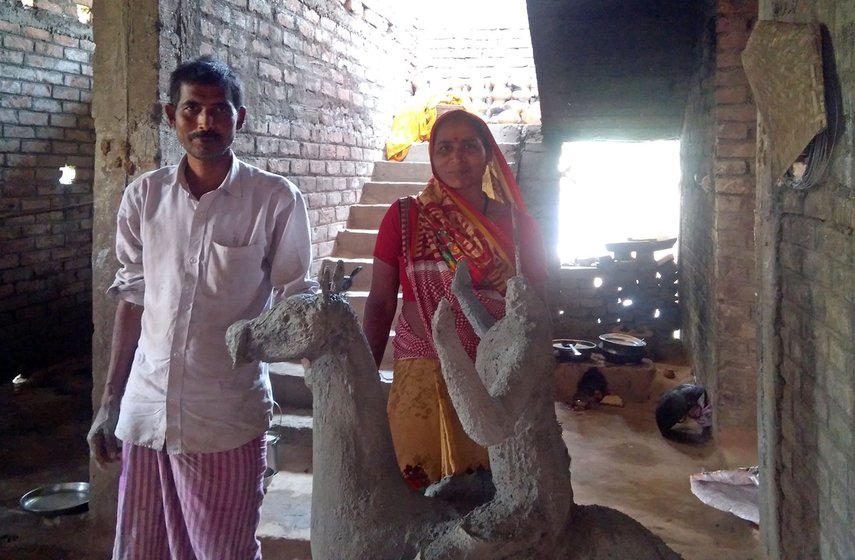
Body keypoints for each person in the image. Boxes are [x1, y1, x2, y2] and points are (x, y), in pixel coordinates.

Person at [86, 56, 316, 560]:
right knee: (143, 548)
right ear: (172, 115)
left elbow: (297, 302)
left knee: (223, 553)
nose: (205, 123)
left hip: (225, 417)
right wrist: (109, 404)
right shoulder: (143, 197)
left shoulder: (274, 200)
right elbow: (133, 299)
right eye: (192, 109)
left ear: (241, 117)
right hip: (146, 414)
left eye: (219, 110)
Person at [363, 109, 549, 488]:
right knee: (414, 481)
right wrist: (365, 374)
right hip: (422, 369)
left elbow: (536, 309)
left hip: (493, 371)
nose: (456, 158)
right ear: (432, 156)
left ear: (487, 155)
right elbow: (381, 302)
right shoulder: (405, 216)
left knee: (489, 485)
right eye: (445, 148)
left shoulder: (518, 225)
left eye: (469, 147)